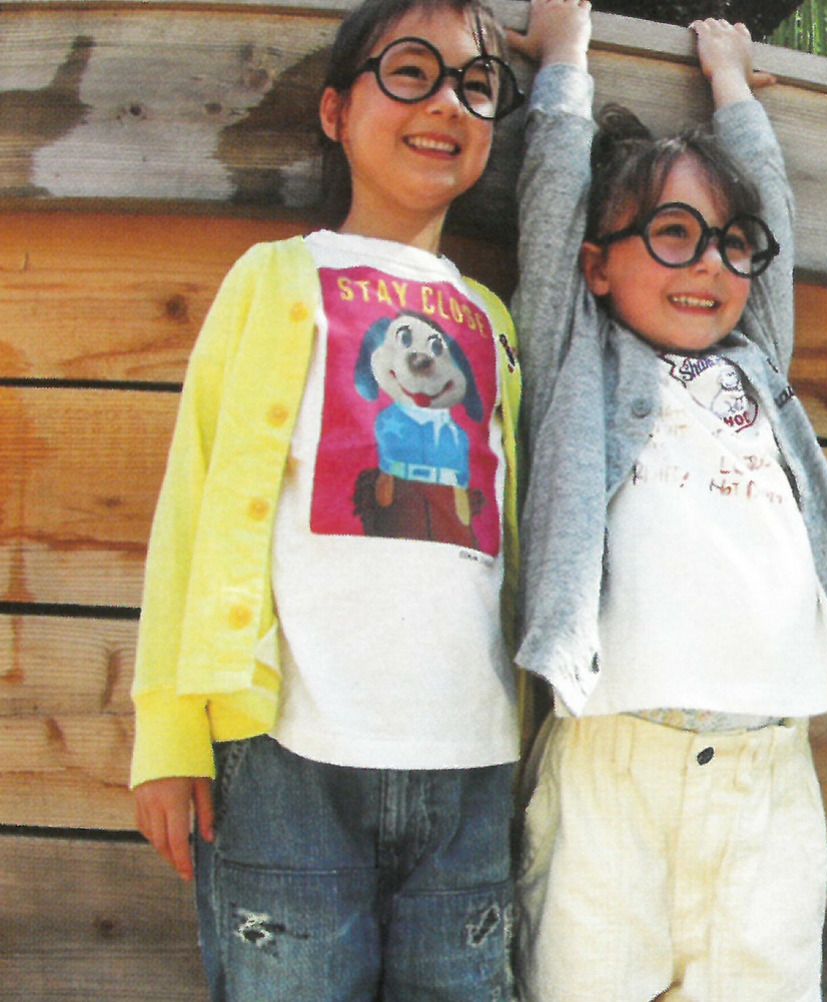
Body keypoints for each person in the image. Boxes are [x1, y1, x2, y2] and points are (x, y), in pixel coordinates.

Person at [506, 2, 827, 1000]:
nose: (709, 264)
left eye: (730, 246)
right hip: (615, 771)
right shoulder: (577, 363)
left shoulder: (757, 366)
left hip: (767, 780)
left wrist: (732, 84)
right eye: (673, 234)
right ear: (597, 267)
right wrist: (566, 60)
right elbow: (551, 207)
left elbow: (771, 214)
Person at [130, 1, 526, 998]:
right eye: (411, 72)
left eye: (477, 85)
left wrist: (564, 65)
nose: (447, 102)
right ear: (336, 110)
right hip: (282, 761)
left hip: (473, 761)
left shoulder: (492, 319)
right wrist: (169, 731)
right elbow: (194, 500)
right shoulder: (275, 277)